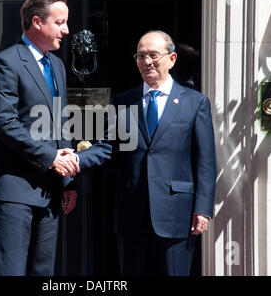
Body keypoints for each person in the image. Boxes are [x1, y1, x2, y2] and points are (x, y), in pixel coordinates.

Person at [77, 30, 216, 276]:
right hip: (132, 213)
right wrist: (75, 159)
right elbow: (105, 147)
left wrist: (203, 209)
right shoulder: (122, 102)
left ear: (172, 59)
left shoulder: (195, 103)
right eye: (141, 56)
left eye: (153, 55)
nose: (147, 62)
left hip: (177, 213)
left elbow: (205, 160)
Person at [0, 0, 80, 276]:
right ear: (37, 22)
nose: (66, 30)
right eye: (60, 22)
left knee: (43, 272)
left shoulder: (57, 66)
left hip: (49, 190)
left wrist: (68, 180)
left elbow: (60, 123)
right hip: (13, 188)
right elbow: (5, 124)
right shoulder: (6, 63)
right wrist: (51, 157)